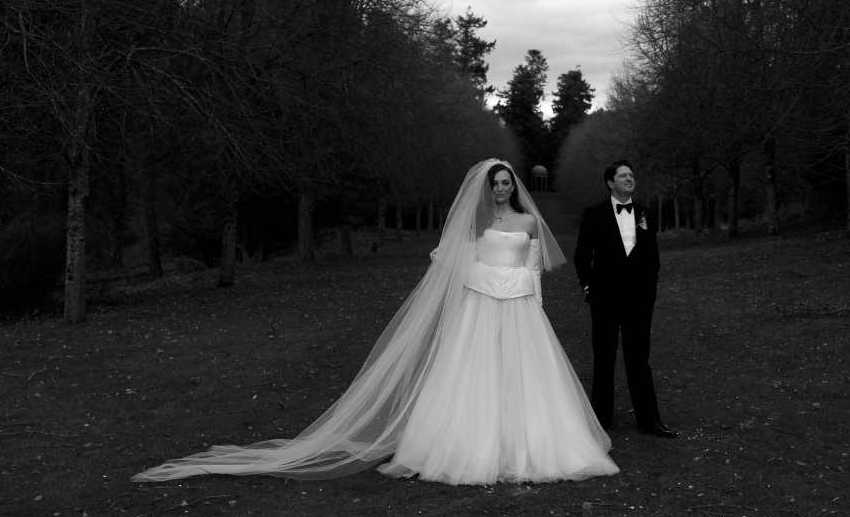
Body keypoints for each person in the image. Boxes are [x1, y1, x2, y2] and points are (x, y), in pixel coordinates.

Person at [133, 159, 618, 486]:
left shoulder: (529, 223)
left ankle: (526, 446)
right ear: (487, 187)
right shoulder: (476, 223)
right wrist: (475, 288)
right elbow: (457, 260)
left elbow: (533, 268)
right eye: (495, 183)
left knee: (522, 377)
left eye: (506, 182)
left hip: (519, 308)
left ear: (515, 186)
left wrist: (535, 304)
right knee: (473, 376)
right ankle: (467, 447)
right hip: (481, 304)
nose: (501, 188)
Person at [573, 160, 676, 438]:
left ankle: (650, 420)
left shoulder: (645, 212)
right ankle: (600, 420)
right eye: (623, 176)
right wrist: (589, 287)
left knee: (639, 359)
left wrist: (650, 289)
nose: (630, 178)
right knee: (604, 359)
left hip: (639, 300)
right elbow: (582, 255)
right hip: (604, 299)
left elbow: (652, 256)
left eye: (631, 174)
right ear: (611, 183)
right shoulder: (594, 213)